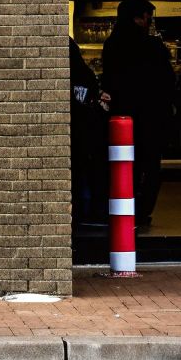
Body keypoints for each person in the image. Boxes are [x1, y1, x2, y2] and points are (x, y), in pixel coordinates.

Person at [98, 0, 174, 230]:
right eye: (147, 17)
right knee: (150, 166)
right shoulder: (153, 46)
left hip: (121, 118)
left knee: (122, 166)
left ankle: (123, 211)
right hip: (151, 116)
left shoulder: (112, 45)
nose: (149, 22)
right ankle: (142, 212)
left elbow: (109, 79)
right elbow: (168, 80)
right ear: (138, 18)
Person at [70, 37, 110, 229]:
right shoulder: (85, 74)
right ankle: (94, 210)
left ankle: (80, 212)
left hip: (75, 133)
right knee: (92, 172)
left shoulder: (66, 75)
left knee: (77, 174)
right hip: (90, 132)